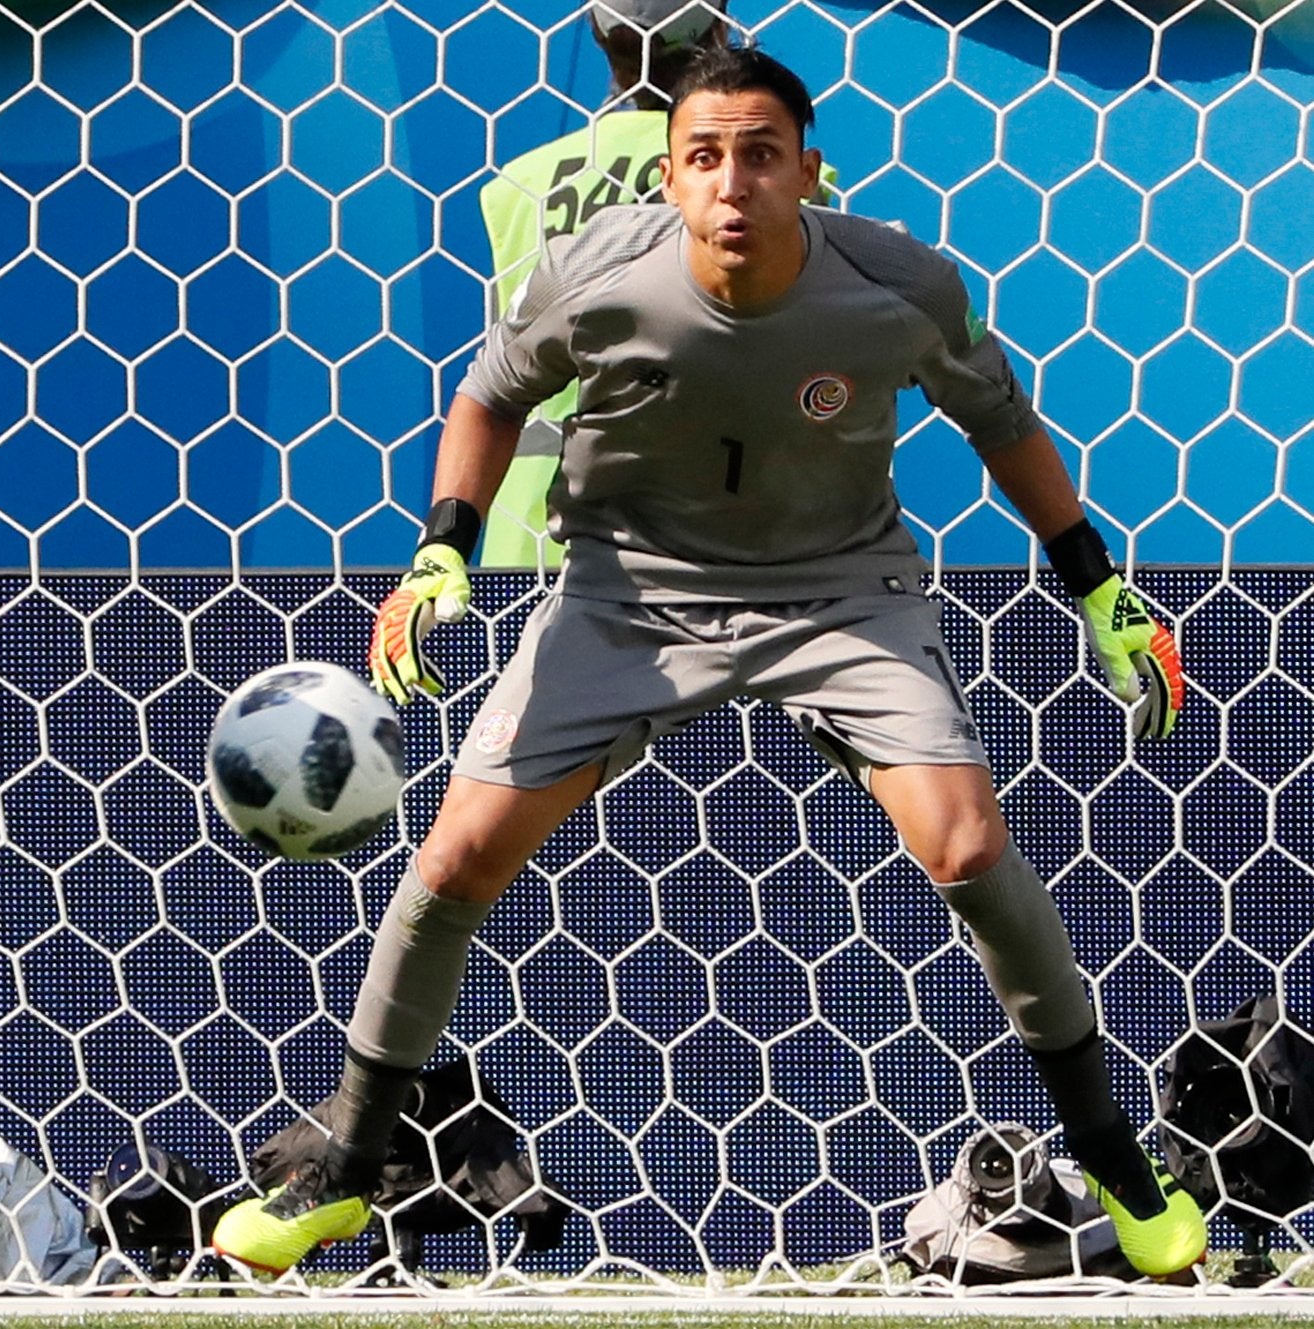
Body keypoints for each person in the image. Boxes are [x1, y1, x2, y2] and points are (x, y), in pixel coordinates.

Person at [213, 43, 1203, 1279]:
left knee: (969, 847)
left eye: (759, 155)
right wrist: (439, 558)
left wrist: (1100, 592)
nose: (731, 182)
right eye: (703, 157)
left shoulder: (897, 286)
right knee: (457, 857)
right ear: (670, 178)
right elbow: (486, 400)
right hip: (627, 596)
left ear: (808, 171)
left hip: (841, 595)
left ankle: (1111, 1157)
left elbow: (1003, 421)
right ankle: (349, 1170)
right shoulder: (596, 277)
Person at [478, 0, 834, 570]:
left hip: (530, 530)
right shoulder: (767, 175)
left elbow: (498, 380)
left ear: (596, 35)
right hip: (711, 526)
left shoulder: (520, 184)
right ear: (719, 29)